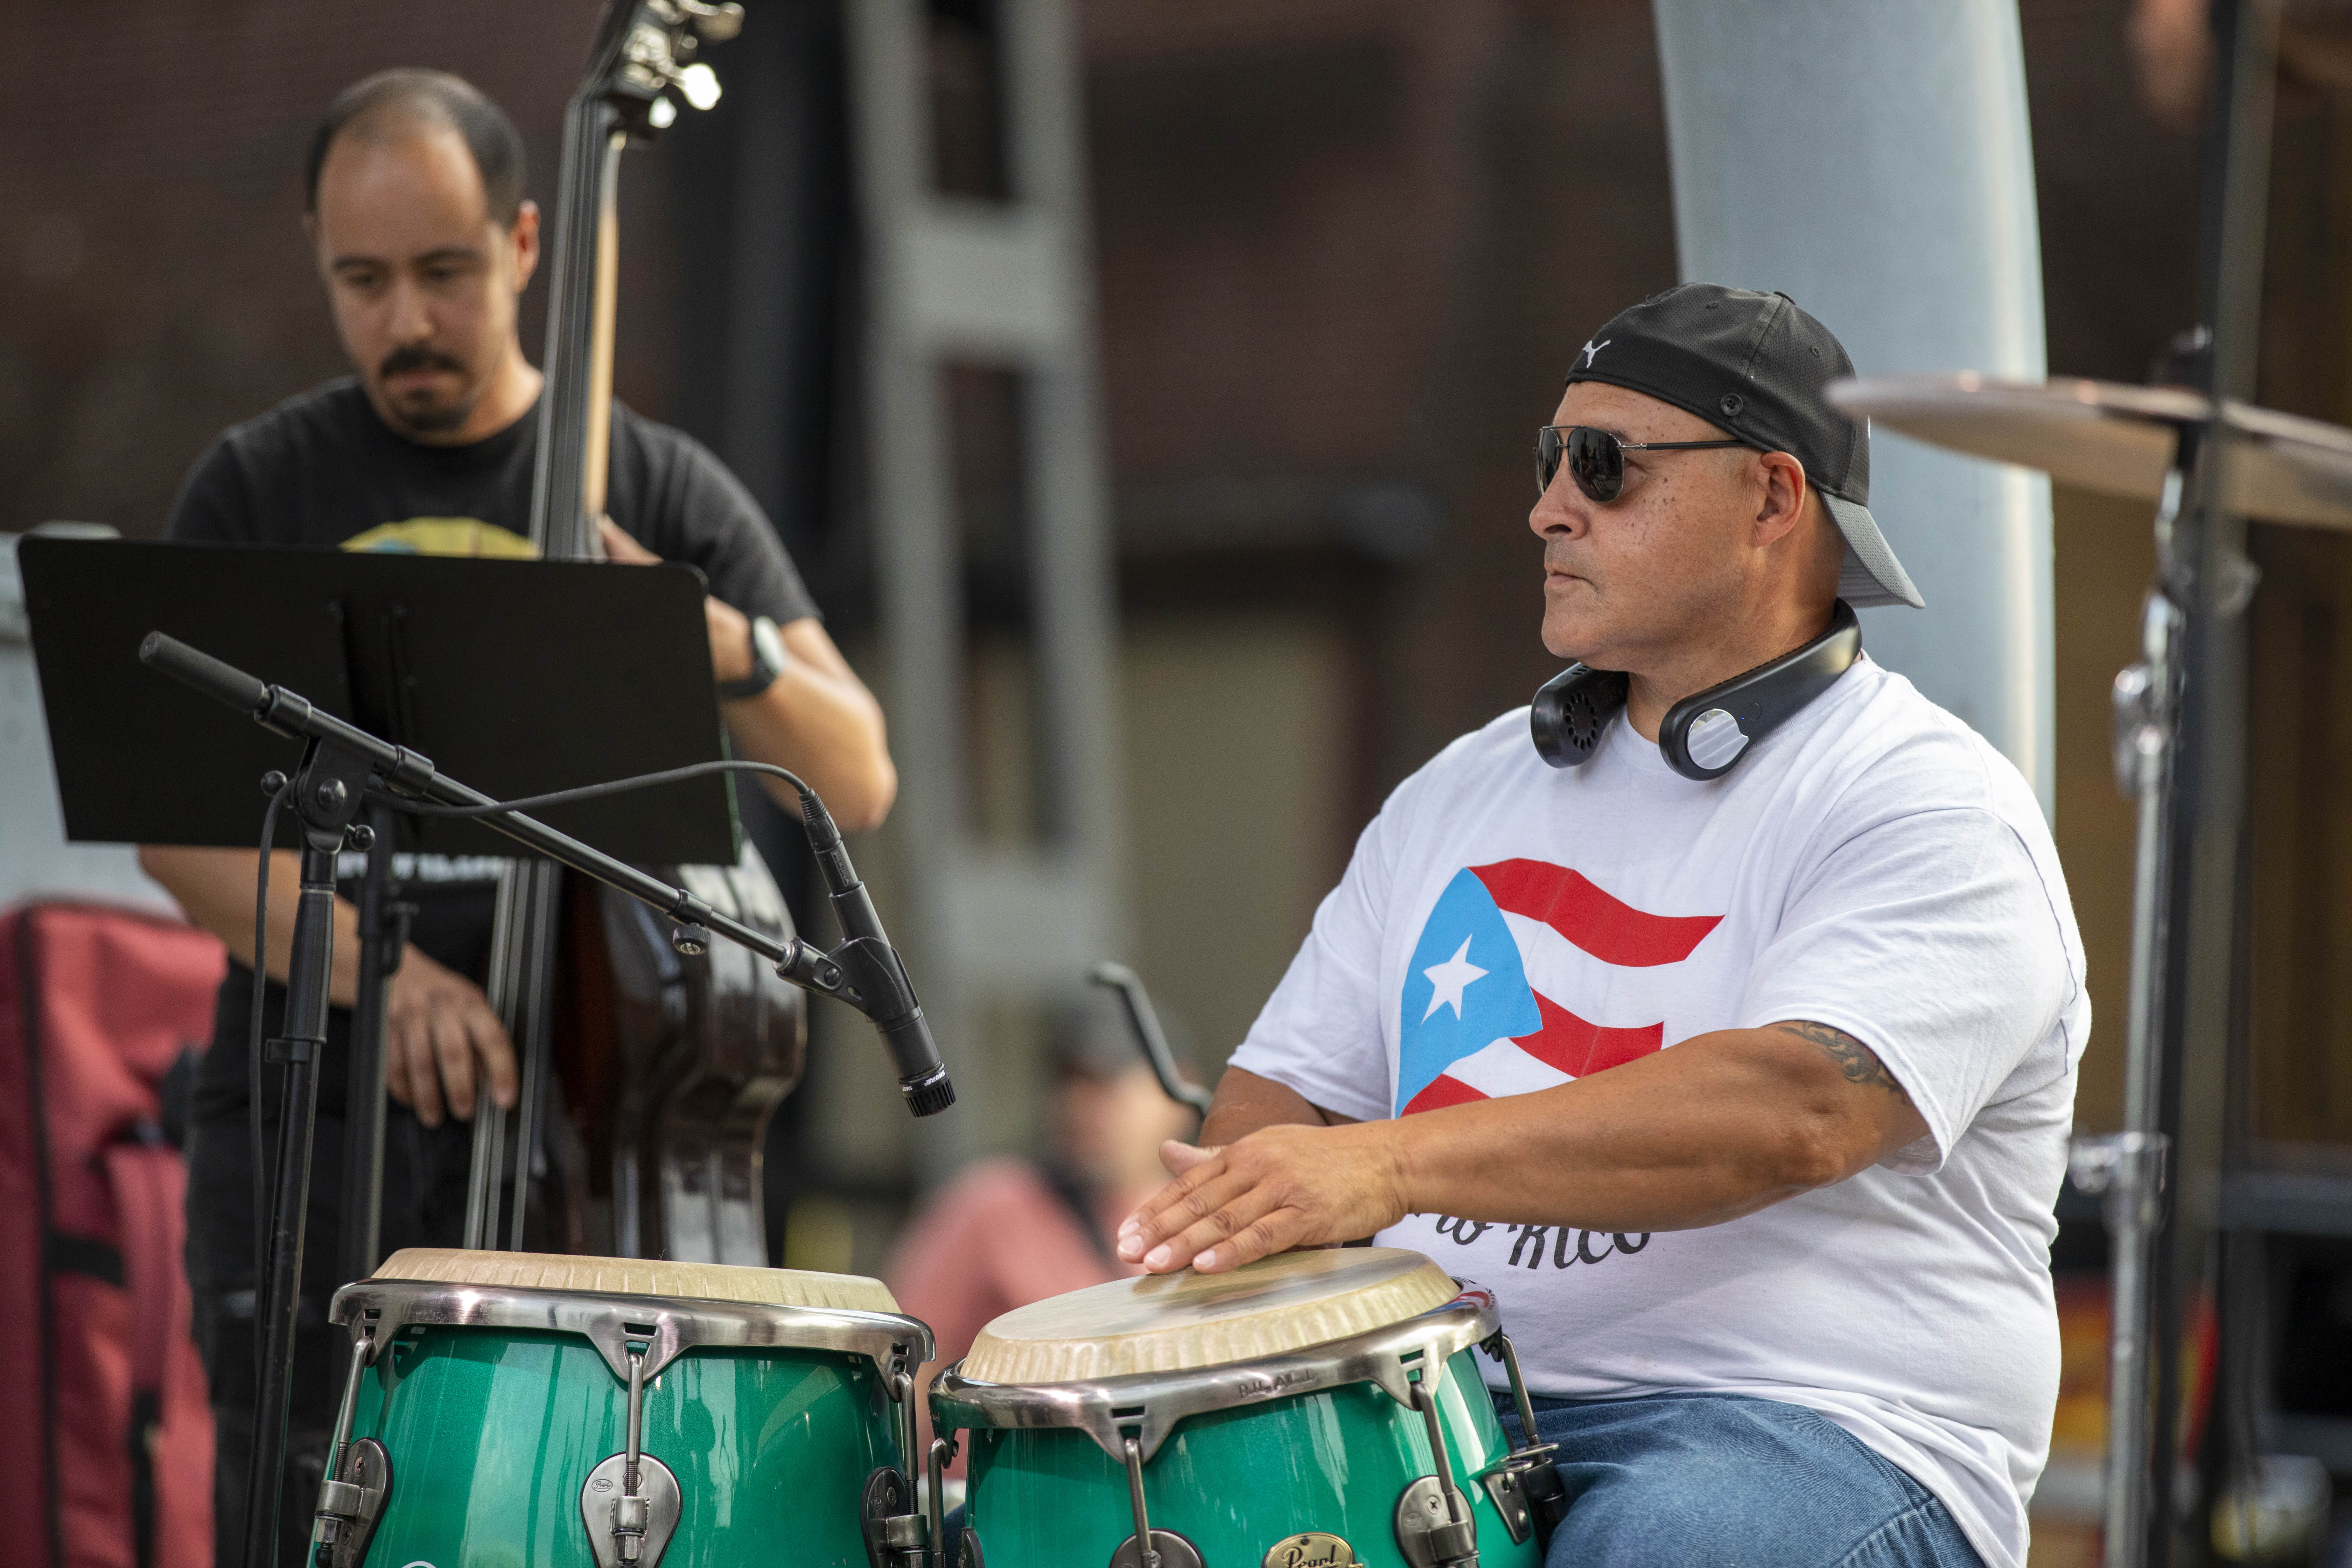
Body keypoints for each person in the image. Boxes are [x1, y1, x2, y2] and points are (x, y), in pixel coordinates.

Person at [1116, 285, 2086, 1568]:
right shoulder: (1457, 790)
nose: (1548, 507)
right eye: (1547, 462)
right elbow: (1283, 1100)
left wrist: (1389, 1168)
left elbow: (1796, 1111)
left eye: (1604, 465)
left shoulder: (1930, 801)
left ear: (1774, 500)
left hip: (1817, 1434)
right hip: (1437, 1416)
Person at [134, 70, 896, 1562]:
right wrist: (382, 969)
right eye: (362, 281)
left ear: (530, 242)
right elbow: (181, 832)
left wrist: (705, 628)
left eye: (443, 273)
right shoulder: (261, 487)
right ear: (315, 254)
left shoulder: (657, 485)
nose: (404, 321)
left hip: (603, 1125)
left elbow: (858, 769)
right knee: (292, 1501)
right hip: (320, 1118)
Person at [887, 1021, 1200, 1472]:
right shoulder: (992, 1205)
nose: (1081, 1106)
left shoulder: (1206, 1222)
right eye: (1070, 1084)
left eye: (1108, 1084)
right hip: (1003, 1507)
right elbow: (903, 1374)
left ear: (1182, 1092)